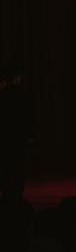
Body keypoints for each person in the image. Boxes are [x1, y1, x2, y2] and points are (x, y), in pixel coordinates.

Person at [0, 65, 34, 201]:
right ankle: (18, 197)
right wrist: (30, 134)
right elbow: (27, 115)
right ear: (15, 77)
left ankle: (7, 195)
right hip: (19, 136)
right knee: (19, 167)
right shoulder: (21, 93)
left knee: (6, 166)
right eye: (19, 76)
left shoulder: (3, 94)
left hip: (5, 136)